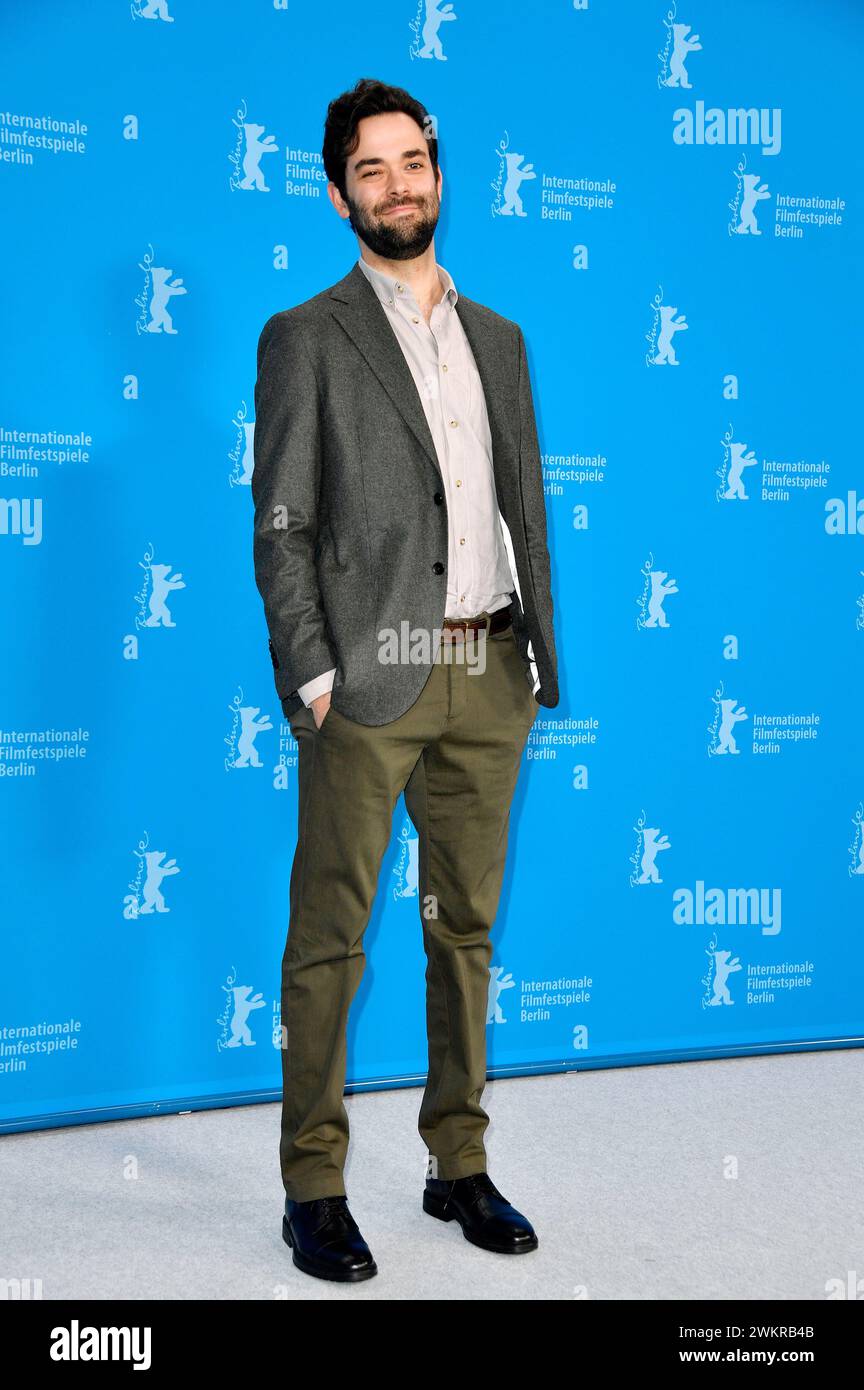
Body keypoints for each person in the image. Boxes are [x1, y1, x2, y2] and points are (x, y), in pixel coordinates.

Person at [252, 77, 558, 1283]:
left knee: (464, 930)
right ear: (338, 195)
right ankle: (313, 1184)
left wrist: (531, 651)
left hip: (486, 669)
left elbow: (516, 503)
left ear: (440, 174)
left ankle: (457, 1163)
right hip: (368, 681)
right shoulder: (304, 337)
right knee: (331, 936)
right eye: (369, 170)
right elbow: (281, 526)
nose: (396, 186)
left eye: (412, 163)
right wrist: (313, 672)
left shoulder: (503, 340)